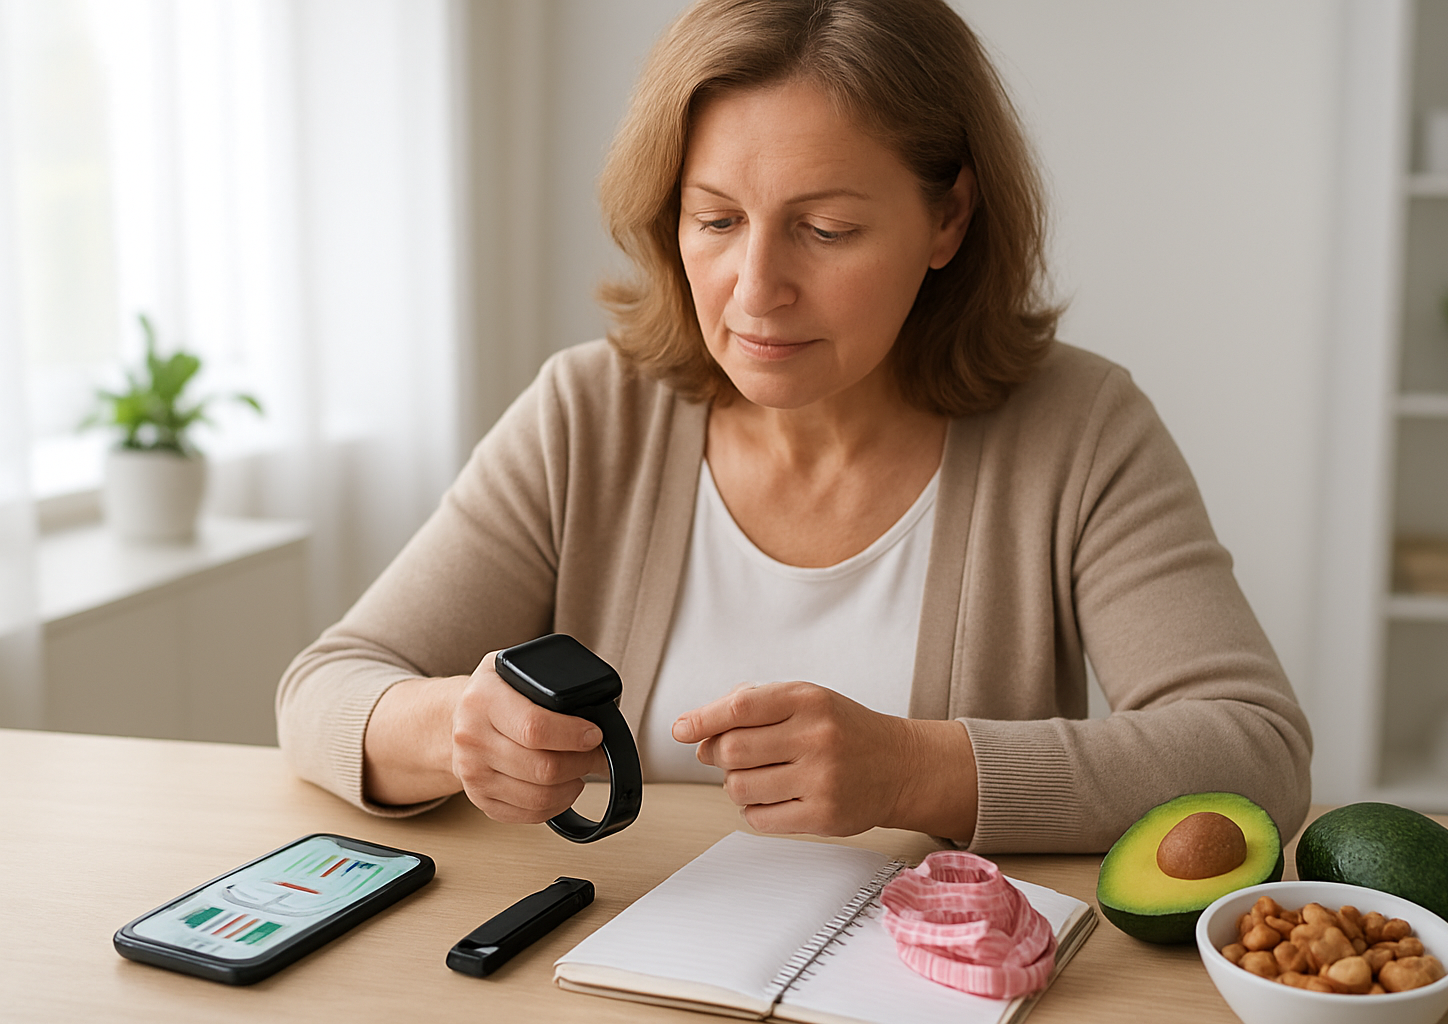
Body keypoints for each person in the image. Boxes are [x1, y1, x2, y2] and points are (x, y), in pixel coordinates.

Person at [276, 0, 1312, 854]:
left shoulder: (1080, 431)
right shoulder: (588, 413)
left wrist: (915, 768)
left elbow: (1254, 753)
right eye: (716, 219)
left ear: (949, 218)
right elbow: (325, 689)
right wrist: (456, 728)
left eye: (827, 229)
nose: (756, 290)